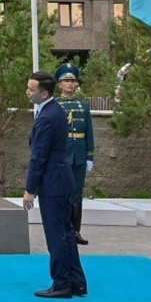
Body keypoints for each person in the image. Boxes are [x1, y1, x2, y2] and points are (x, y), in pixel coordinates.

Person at [22, 70, 87, 299]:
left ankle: (61, 283)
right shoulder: (53, 111)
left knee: (56, 235)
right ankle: (76, 282)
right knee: (67, 233)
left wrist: (30, 190)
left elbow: (39, 157)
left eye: (31, 89)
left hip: (53, 183)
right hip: (60, 179)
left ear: (44, 93)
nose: (27, 92)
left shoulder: (48, 116)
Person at [55, 62, 95, 245]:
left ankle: (76, 231)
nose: (70, 84)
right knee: (62, 193)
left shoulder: (83, 106)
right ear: (59, 85)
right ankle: (62, 229)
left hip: (78, 155)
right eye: (66, 81)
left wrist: (89, 156)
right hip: (62, 155)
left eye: (73, 81)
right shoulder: (55, 105)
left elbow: (89, 132)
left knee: (76, 194)